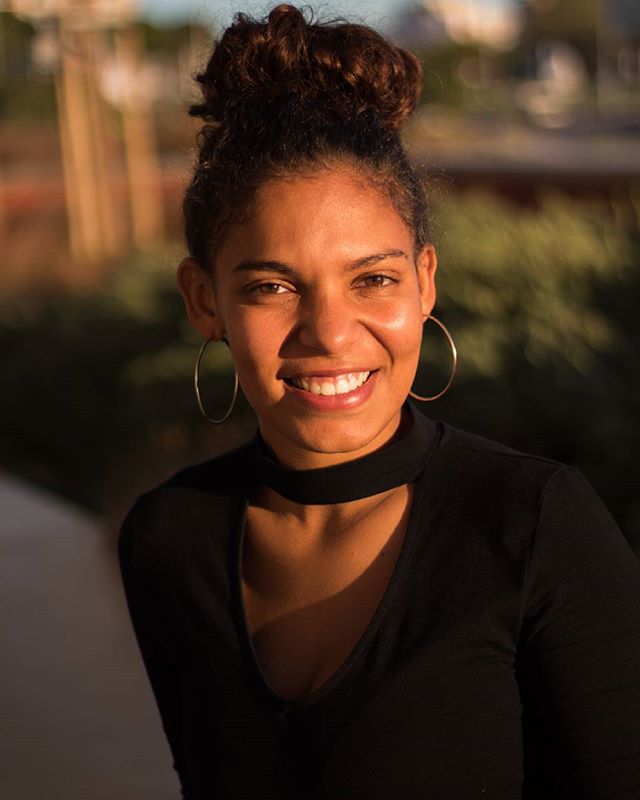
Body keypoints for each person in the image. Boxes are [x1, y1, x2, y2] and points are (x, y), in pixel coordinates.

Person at [117, 5, 640, 799]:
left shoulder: (534, 527)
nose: (330, 333)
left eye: (373, 279)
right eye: (272, 287)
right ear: (204, 300)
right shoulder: (167, 539)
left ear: (425, 282)